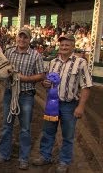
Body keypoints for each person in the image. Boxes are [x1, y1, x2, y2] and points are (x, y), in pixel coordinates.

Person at [32, 33, 92, 173]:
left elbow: (86, 86)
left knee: (68, 135)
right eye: (62, 44)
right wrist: (45, 83)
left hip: (69, 105)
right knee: (48, 132)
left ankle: (64, 162)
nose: (64, 47)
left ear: (73, 47)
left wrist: (81, 106)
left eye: (67, 45)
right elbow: (48, 82)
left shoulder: (80, 63)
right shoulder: (53, 62)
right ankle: (45, 156)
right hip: (52, 104)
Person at [0, 27, 45, 170]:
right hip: (10, 93)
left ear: (29, 39)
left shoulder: (36, 56)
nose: (22, 39)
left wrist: (24, 78)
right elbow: (1, 67)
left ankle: (23, 158)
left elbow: (41, 75)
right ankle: (3, 154)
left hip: (26, 95)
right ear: (17, 38)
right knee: (6, 125)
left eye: (25, 37)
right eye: (20, 37)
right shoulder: (8, 52)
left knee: (25, 129)